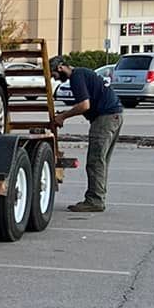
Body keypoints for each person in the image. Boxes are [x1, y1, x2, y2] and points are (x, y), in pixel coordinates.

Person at [53, 57, 124, 213]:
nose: (55, 79)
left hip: (105, 118)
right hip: (114, 115)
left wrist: (62, 117)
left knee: (95, 162)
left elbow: (85, 105)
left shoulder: (76, 77)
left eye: (54, 75)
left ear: (60, 67)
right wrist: (64, 114)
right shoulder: (83, 73)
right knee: (101, 161)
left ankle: (95, 201)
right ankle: (97, 198)